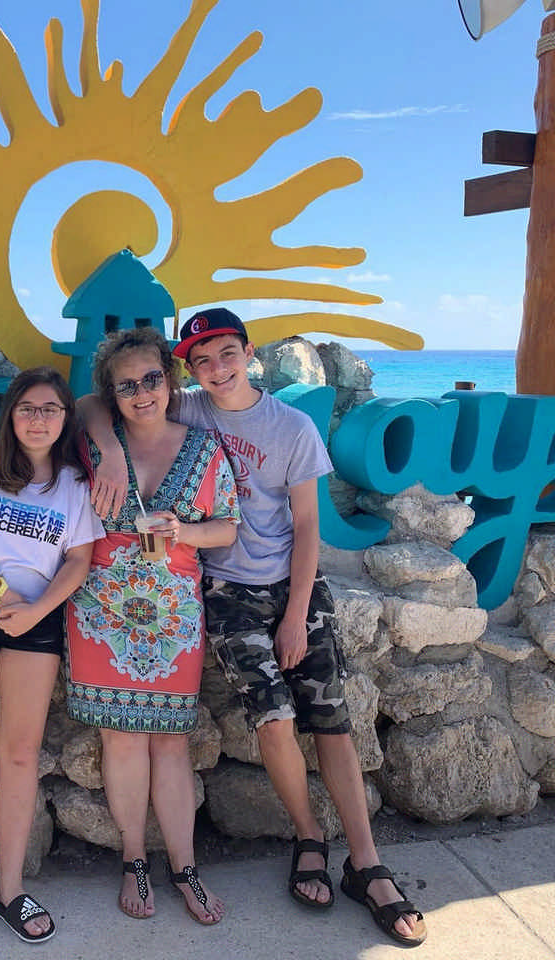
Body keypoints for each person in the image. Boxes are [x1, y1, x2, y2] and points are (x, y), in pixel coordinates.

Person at [83, 308, 427, 948]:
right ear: (189, 367)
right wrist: (106, 451)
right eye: (202, 359)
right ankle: (307, 838)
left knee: (331, 723)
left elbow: (307, 529)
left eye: (226, 353)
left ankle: (369, 865)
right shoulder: (187, 405)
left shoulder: (291, 426)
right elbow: (96, 399)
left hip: (294, 589)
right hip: (225, 592)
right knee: (273, 719)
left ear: (248, 352)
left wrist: (296, 613)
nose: (216, 368)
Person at [67, 328, 240, 925]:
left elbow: (228, 528)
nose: (142, 393)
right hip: (100, 612)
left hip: (173, 618)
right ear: (112, 395)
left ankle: (185, 869)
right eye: (127, 386)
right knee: (120, 739)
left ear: (171, 380)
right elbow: (76, 405)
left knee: (171, 743)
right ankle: (135, 860)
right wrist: (110, 450)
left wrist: (183, 532)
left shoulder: (205, 449)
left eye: (152, 379)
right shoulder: (95, 443)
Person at [0, 366, 103, 943]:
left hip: (37, 619)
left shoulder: (74, 482)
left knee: (21, 755)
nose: (38, 419)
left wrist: (34, 610)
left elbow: (79, 560)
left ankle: (10, 888)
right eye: (28, 408)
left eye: (51, 409)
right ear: (11, 413)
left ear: (65, 418)